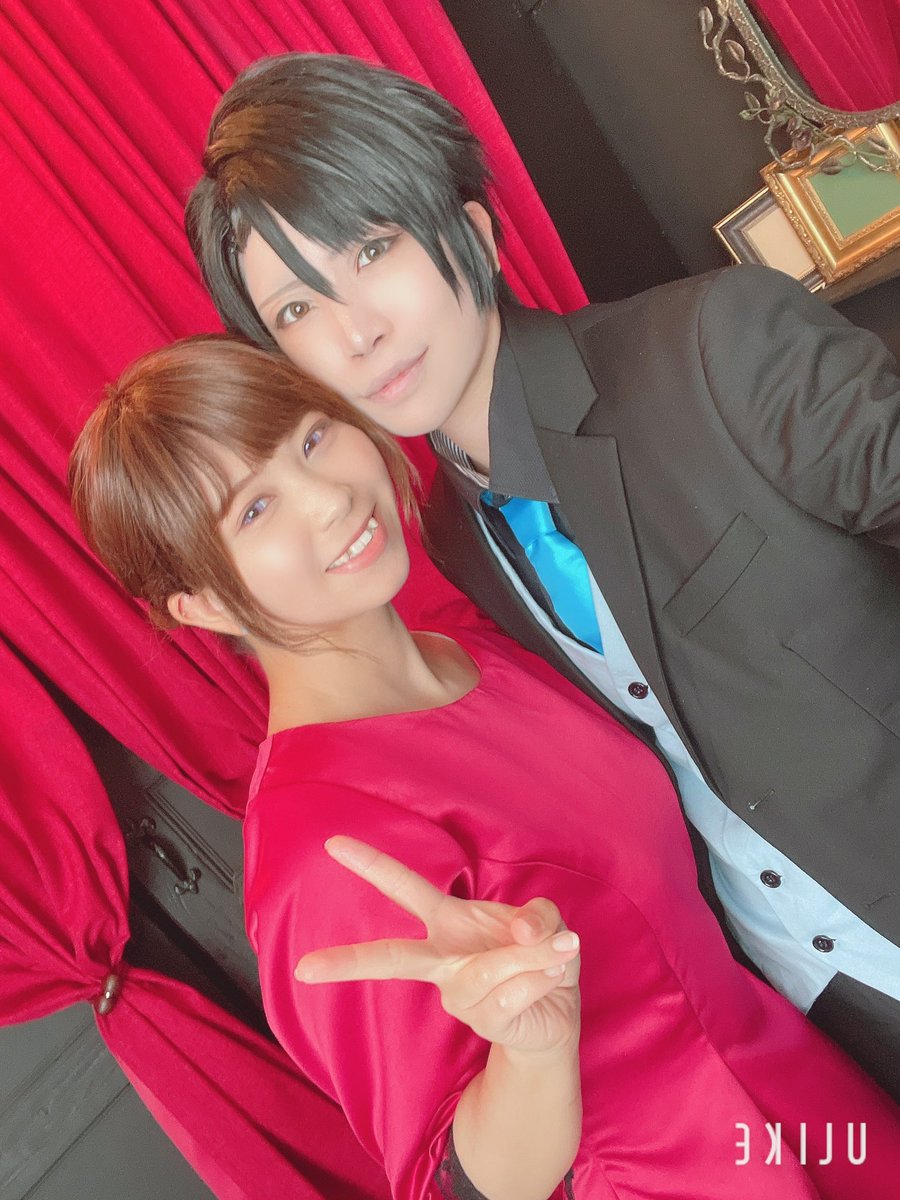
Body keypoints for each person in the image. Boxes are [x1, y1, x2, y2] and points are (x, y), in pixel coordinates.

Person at [184, 52, 900, 1097]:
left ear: (470, 228)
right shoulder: (448, 536)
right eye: (297, 310)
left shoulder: (717, 349)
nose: (355, 331)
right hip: (822, 1025)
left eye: (373, 249)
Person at [69, 335, 900, 1200]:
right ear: (201, 603)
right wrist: (531, 1052)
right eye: (254, 510)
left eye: (312, 438)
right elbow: (453, 1183)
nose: (329, 498)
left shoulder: (475, 643)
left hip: (805, 1097)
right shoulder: (323, 849)